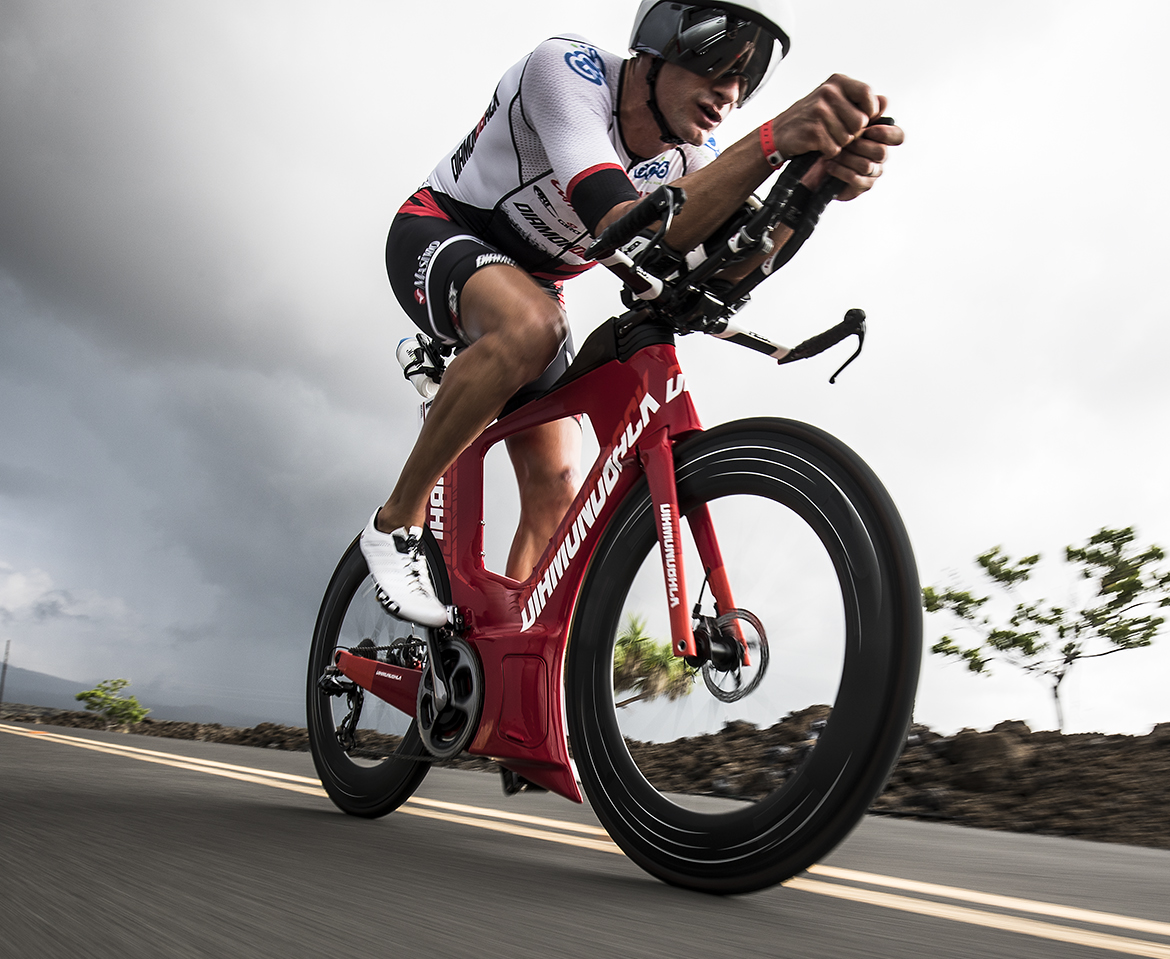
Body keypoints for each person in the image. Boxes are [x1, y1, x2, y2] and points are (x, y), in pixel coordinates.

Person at [368, 0, 902, 626]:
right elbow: (624, 226)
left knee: (557, 488)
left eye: (746, 80)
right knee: (533, 328)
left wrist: (811, 188)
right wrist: (771, 142)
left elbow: (727, 264)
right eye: (718, 65)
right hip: (439, 230)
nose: (728, 93)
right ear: (660, 40)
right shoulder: (566, 72)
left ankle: (494, 662)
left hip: (537, 282)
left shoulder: (690, 161)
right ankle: (396, 520)